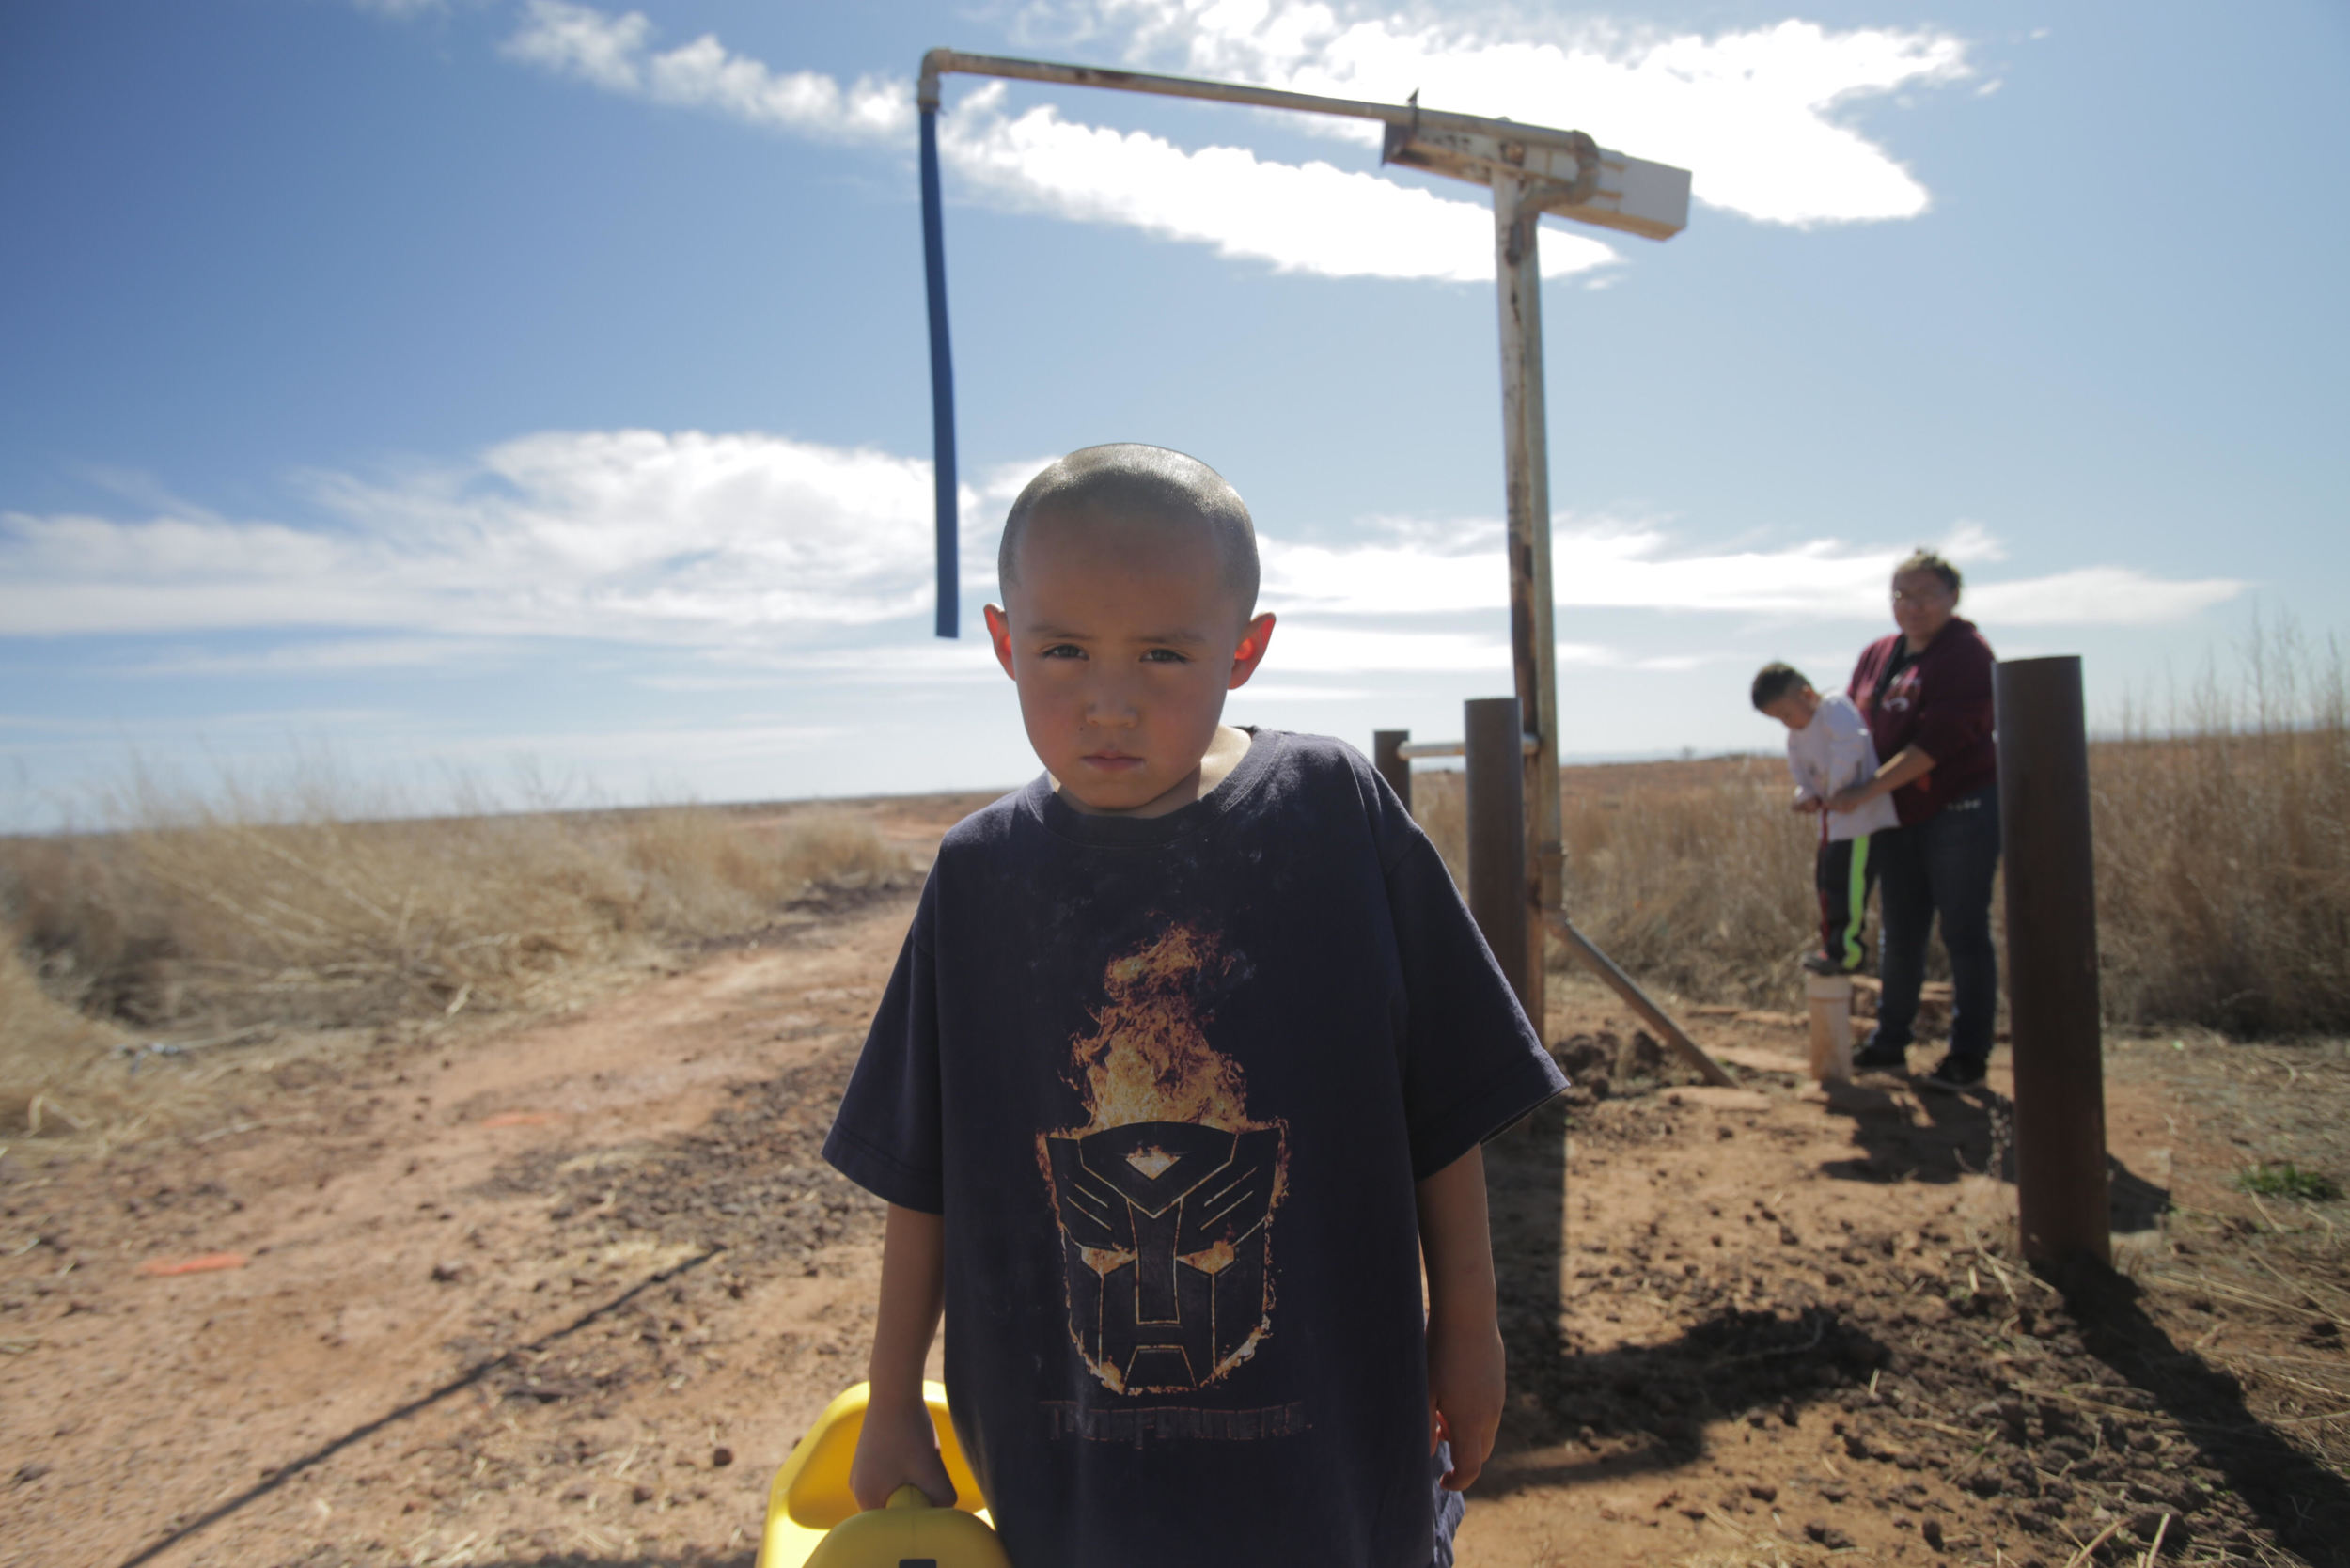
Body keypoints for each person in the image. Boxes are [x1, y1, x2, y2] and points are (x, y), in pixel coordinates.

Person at [823, 444, 1567, 1568]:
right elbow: (924, 1173)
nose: (1107, 703)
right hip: (1067, 1466)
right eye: (1063, 650)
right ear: (1002, 641)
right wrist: (890, 1396)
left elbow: (1439, 1104)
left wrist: (1467, 1326)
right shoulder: (980, 876)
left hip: (1332, 1453)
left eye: (1165, 654)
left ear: (1246, 652)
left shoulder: (1331, 816)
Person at [1829, 549, 2001, 1091]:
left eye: (1927, 594)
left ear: (1953, 597)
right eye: (1902, 594)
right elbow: (1853, 734)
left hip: (1959, 812)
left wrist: (1866, 791)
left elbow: (1940, 743)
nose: (1913, 606)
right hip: (1894, 816)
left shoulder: (1967, 654)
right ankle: (1889, 1044)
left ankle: (1968, 1056)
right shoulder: (1879, 655)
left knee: (1963, 930)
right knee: (1900, 933)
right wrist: (1827, 789)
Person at [1751, 663, 1900, 976]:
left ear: (1807, 695)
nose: (1786, 724)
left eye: (1786, 714)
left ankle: (1848, 953)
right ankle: (1832, 946)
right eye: (1778, 719)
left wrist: (1834, 791)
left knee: (1850, 887)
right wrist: (1805, 796)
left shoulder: (1833, 708)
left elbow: (1851, 747)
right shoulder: (1796, 736)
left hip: (1861, 821)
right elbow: (1801, 773)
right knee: (1828, 884)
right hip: (1833, 823)